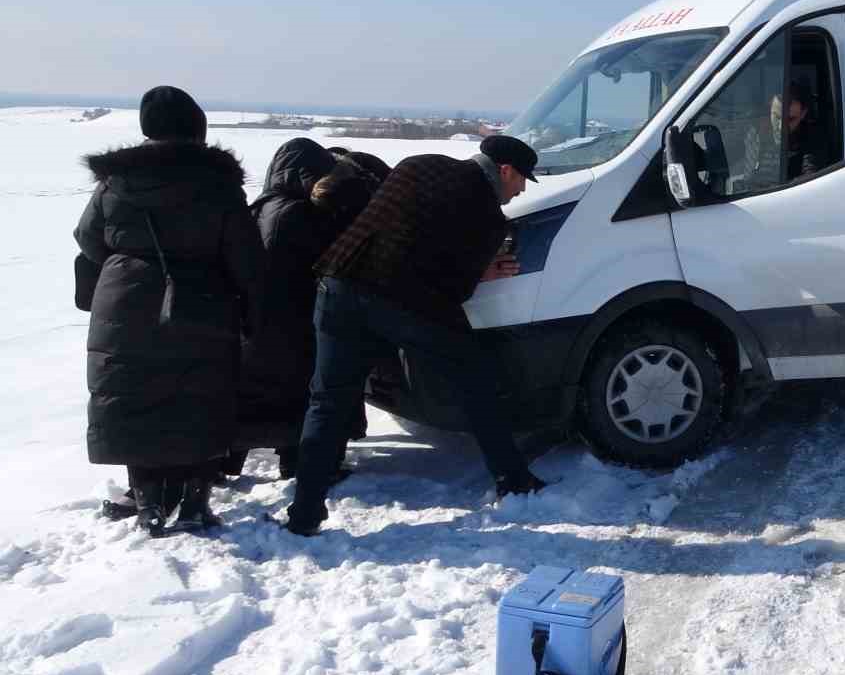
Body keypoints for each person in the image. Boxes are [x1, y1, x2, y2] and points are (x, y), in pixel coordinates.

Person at [282, 135, 545, 536]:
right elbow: (455, 290)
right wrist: (483, 272)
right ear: (505, 170)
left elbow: (396, 222)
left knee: (327, 402)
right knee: (475, 381)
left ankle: (304, 514)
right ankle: (513, 479)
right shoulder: (488, 217)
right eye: (522, 179)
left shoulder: (418, 162)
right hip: (405, 304)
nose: (522, 189)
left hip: (339, 284)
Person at [75, 86, 263, 536]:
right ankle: (196, 502)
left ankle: (147, 502)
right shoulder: (218, 185)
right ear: (196, 130)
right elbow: (246, 255)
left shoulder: (114, 182)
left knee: (132, 395)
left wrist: (126, 268)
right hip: (203, 302)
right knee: (202, 396)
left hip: (124, 300)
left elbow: (87, 236)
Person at [233, 141, 377, 482]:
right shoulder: (299, 213)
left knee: (270, 392)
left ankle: (252, 459)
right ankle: (300, 461)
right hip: (296, 314)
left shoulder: (262, 206)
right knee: (304, 392)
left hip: (261, 319)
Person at [781, 82, 829, 179]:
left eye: (791, 102)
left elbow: (810, 173)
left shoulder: (813, 133)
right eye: (784, 101)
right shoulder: (774, 131)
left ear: (804, 109)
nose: (786, 106)